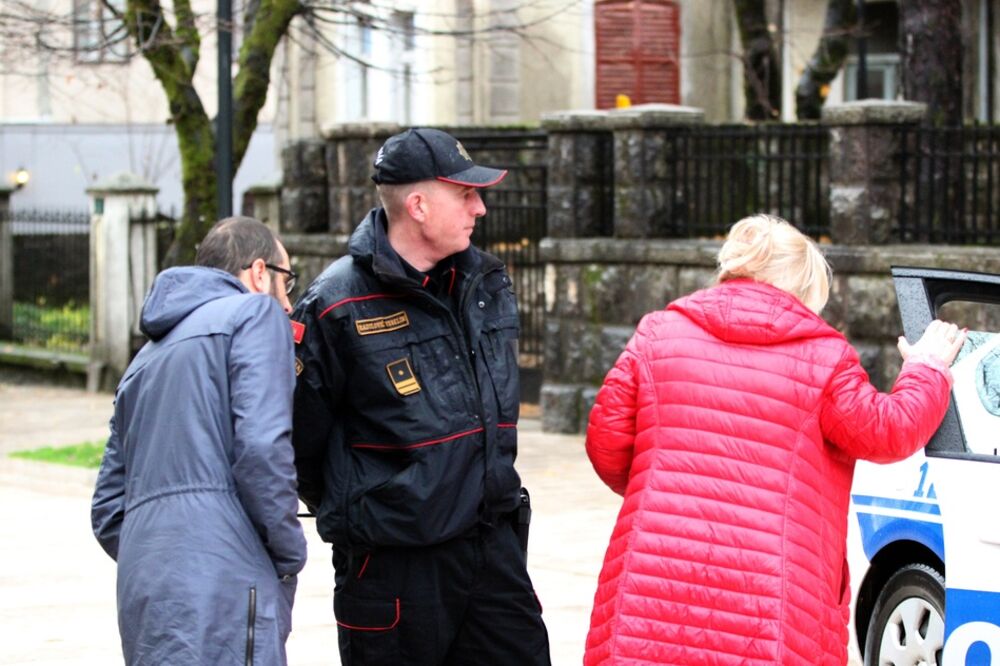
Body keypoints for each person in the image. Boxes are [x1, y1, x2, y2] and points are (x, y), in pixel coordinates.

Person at [583, 214, 966, 665]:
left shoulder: (656, 335)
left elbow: (606, 443)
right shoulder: (823, 358)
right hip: (771, 590)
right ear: (801, 286)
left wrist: (671, 494)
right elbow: (889, 431)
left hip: (656, 571)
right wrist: (926, 368)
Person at [290, 128, 550, 665]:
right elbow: (298, 440)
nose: (479, 207)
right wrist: (374, 505)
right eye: (465, 194)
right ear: (419, 205)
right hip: (393, 567)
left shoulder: (486, 282)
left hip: (491, 547)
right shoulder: (337, 304)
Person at [91, 216, 307, 665]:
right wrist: (288, 552)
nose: (288, 303)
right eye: (288, 280)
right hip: (229, 572)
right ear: (260, 272)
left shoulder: (144, 358)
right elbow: (263, 448)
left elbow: (109, 506)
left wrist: (164, 548)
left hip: (147, 580)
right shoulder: (256, 313)